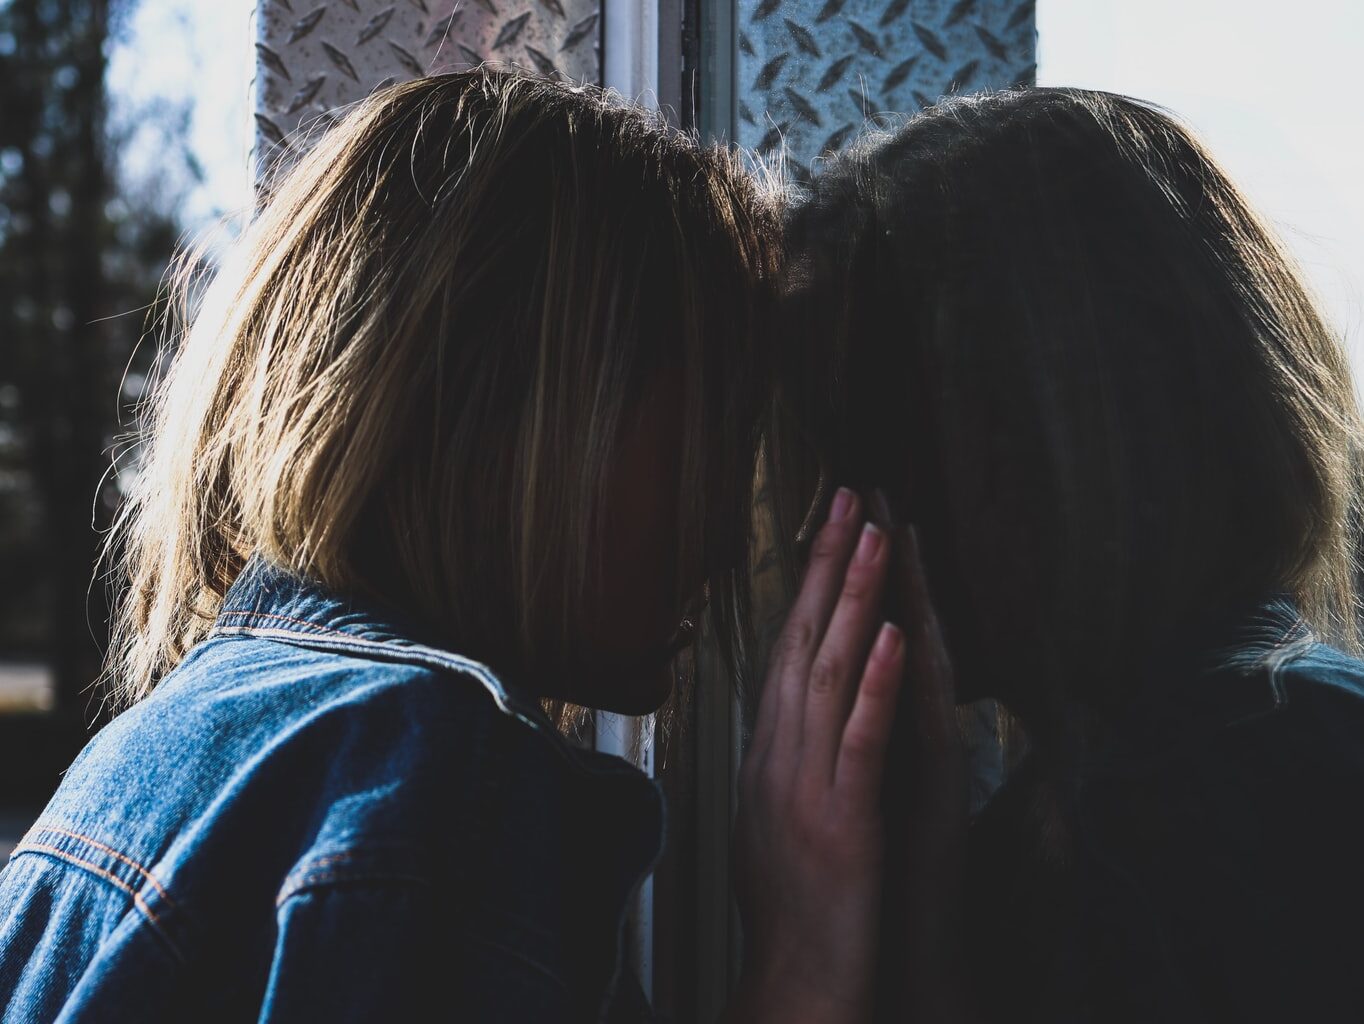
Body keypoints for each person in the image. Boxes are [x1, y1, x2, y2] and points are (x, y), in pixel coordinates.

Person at [0, 69, 903, 1023]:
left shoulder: (141, 754)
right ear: (526, 419)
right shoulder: (440, 782)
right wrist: (800, 966)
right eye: (713, 440)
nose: (728, 534)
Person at [771, 88, 1364, 1021]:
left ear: (1044, 427)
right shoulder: (1134, 780)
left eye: (864, 433)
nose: (826, 523)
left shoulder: (1253, 774)